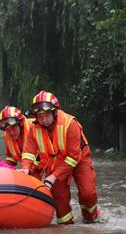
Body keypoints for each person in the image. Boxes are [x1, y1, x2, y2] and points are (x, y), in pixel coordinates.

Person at [18, 90, 100, 224]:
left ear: (55, 112)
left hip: (79, 159)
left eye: (47, 115)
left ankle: (90, 217)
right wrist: (26, 168)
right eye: (39, 116)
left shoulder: (69, 124)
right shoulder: (34, 128)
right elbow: (29, 152)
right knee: (60, 203)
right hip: (55, 162)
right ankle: (64, 231)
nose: (43, 120)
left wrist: (52, 177)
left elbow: (73, 157)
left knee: (88, 194)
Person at [0, 106, 42, 176]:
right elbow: (10, 157)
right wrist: (7, 171)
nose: (11, 132)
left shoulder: (34, 127)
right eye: (7, 130)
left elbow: (40, 156)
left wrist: (27, 170)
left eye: (13, 128)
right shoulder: (6, 136)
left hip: (43, 161)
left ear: (21, 123)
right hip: (28, 165)